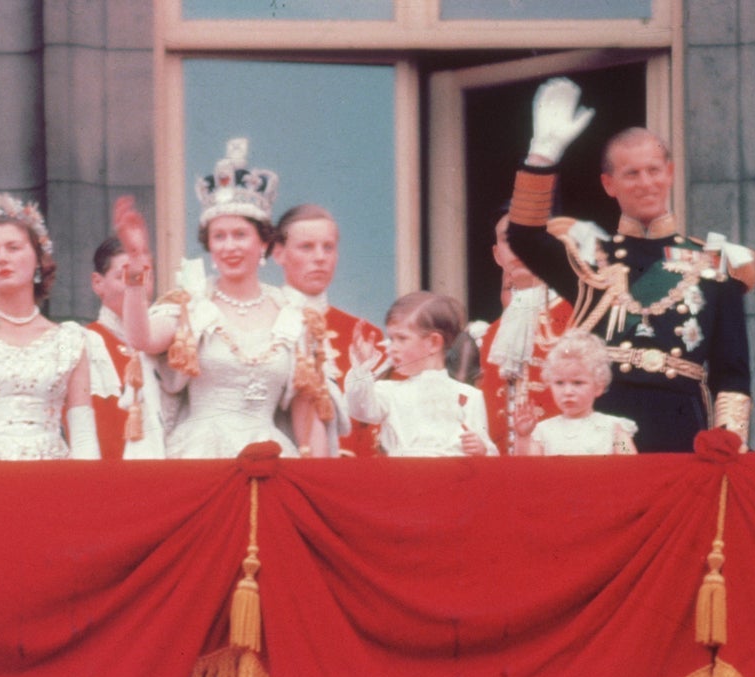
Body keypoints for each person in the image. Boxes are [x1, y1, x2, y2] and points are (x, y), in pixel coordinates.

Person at [504, 77, 755, 453]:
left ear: (669, 173)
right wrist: (542, 155)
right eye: (631, 173)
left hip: (681, 429)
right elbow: (523, 236)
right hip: (600, 428)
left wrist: (730, 440)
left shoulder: (715, 264)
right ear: (609, 184)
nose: (645, 183)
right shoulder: (589, 258)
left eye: (654, 170)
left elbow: (731, 372)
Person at [120, 138, 339, 459]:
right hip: (201, 455)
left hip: (273, 457)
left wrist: (316, 482)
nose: (229, 246)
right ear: (209, 246)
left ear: (263, 243)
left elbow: (306, 409)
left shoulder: (294, 315)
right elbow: (141, 339)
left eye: (240, 235)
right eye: (218, 237)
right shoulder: (190, 305)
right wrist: (136, 274)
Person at [0, 193, 112, 459]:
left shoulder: (70, 340)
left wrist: (90, 495)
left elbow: (83, 435)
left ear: (38, 259)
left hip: (51, 478)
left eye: (13, 247)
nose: (2, 258)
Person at [272, 203, 381, 456]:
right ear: (279, 253)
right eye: (306, 247)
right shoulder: (267, 322)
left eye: (328, 247)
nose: (320, 257)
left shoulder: (363, 333)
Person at [345, 291, 498, 457]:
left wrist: (482, 448)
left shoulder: (469, 396)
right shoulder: (388, 391)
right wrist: (361, 368)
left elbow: (486, 448)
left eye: (402, 339)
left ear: (433, 342)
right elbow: (359, 408)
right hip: (403, 476)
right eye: (392, 338)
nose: (392, 347)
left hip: (452, 478)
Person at [477, 207, 572, 454]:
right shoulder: (491, 334)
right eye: (509, 239)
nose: (519, 248)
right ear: (498, 255)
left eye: (529, 237)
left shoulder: (580, 315)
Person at [87, 234, 162, 458]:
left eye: (144, 276)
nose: (136, 285)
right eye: (125, 276)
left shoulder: (163, 342)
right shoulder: (89, 342)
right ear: (98, 283)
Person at [514, 329, 638, 455]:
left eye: (578, 383)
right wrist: (523, 437)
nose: (568, 392)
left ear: (598, 387)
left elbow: (630, 465)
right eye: (559, 383)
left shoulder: (614, 429)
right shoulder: (542, 431)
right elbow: (528, 470)